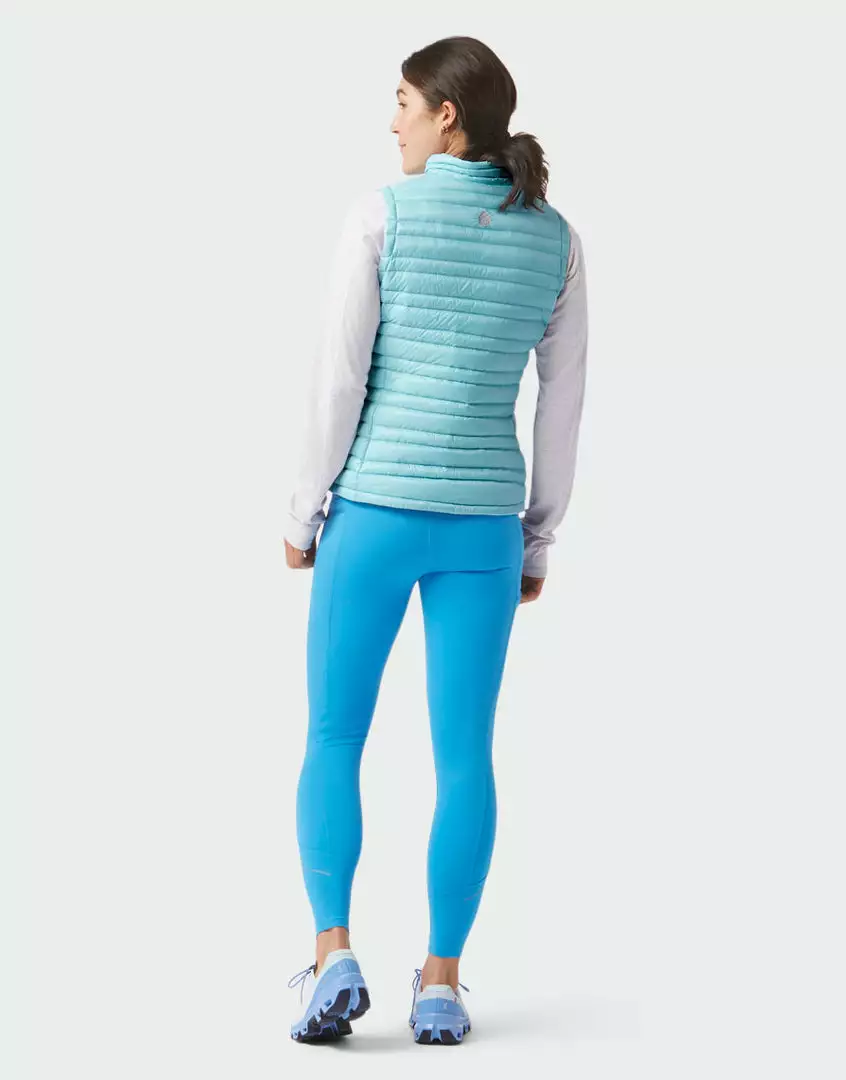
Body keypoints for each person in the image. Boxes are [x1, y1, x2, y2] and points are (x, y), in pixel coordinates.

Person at [283, 35, 588, 1046]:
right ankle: (443, 983)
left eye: (404, 103)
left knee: (335, 736)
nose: (393, 122)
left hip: (372, 513)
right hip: (482, 531)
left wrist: (302, 513)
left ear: (446, 115)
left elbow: (339, 379)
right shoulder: (556, 240)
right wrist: (537, 537)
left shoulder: (381, 214)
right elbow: (562, 402)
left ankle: (333, 954)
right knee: (465, 757)